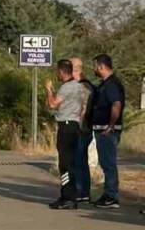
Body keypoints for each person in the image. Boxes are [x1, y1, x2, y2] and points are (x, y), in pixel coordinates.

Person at [44, 59, 85, 209]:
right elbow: (82, 107)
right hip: (74, 125)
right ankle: (70, 195)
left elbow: (52, 104)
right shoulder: (79, 86)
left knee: (65, 163)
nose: (57, 74)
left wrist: (49, 90)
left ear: (61, 71)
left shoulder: (66, 87)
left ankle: (68, 197)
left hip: (66, 126)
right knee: (71, 162)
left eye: (57, 72)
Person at [88, 54, 125, 209]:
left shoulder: (111, 85)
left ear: (102, 66)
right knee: (105, 163)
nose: (94, 69)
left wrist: (111, 125)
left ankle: (111, 196)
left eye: (95, 66)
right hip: (102, 129)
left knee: (109, 164)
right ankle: (108, 194)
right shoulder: (105, 84)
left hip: (108, 131)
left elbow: (116, 104)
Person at [71, 57, 94, 203]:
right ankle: (82, 191)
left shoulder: (84, 87)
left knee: (79, 161)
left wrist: (76, 127)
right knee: (81, 161)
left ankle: (81, 191)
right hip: (83, 128)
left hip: (82, 129)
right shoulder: (82, 85)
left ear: (75, 69)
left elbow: (83, 110)